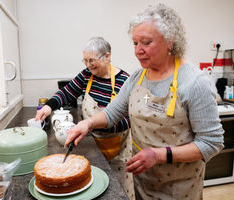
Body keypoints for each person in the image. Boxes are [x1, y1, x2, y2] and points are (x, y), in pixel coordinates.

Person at [65, 4, 224, 200]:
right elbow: (112, 113)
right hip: (142, 181)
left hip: (180, 187)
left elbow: (212, 142)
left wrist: (158, 155)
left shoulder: (194, 82)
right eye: (135, 43)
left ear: (170, 41)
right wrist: (86, 123)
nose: (138, 51)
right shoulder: (137, 78)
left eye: (146, 43)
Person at [35, 37, 135, 199]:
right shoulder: (87, 75)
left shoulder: (125, 80)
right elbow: (67, 92)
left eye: (92, 60)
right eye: (85, 60)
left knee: (118, 192)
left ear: (107, 56)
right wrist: (49, 106)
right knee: (93, 188)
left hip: (118, 149)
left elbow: (130, 119)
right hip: (93, 146)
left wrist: (95, 124)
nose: (88, 65)